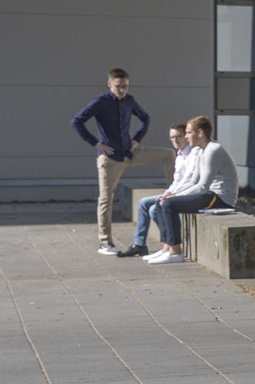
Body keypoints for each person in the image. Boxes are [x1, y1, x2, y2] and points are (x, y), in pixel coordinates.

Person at [71, 68, 152, 255]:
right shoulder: (101, 101)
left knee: (167, 154)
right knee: (106, 199)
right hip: (109, 158)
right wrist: (96, 143)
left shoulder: (130, 101)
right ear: (109, 84)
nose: (122, 90)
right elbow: (77, 121)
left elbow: (145, 118)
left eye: (125, 87)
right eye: (118, 87)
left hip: (128, 154)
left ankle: (175, 192)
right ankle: (104, 242)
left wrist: (137, 139)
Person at [145, 117, 238, 265]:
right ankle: (167, 249)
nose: (186, 136)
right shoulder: (203, 150)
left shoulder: (213, 151)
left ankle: (175, 253)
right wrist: (171, 194)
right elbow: (194, 181)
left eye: (188, 132)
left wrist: (175, 196)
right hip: (209, 195)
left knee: (169, 205)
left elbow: (202, 187)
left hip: (220, 199)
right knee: (160, 202)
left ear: (200, 132)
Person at [118, 124, 195, 258]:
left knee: (154, 209)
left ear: (186, 136)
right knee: (144, 203)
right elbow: (176, 181)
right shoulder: (180, 155)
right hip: (175, 192)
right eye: (172, 137)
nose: (175, 140)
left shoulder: (192, 154)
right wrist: (167, 192)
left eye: (179, 136)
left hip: (186, 193)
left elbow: (190, 182)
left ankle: (170, 244)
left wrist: (172, 194)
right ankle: (140, 245)